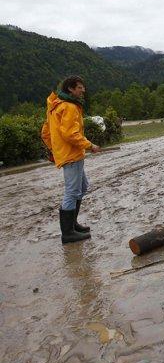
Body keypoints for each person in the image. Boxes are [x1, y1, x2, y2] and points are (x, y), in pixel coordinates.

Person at [41, 76, 101, 244]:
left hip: (69, 154)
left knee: (82, 186)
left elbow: (45, 132)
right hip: (71, 155)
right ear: (70, 89)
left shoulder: (55, 105)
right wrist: (90, 145)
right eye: (80, 87)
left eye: (83, 87)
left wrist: (55, 150)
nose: (83, 90)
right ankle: (68, 233)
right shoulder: (69, 107)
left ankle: (73, 225)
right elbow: (70, 134)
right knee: (72, 192)